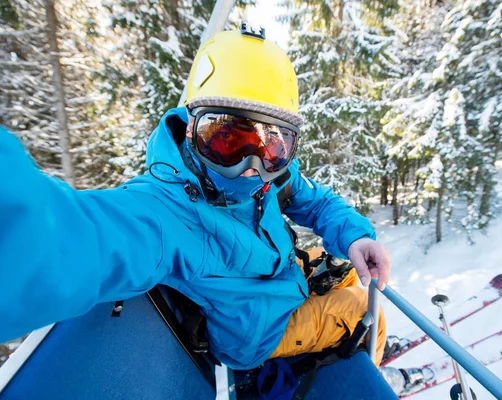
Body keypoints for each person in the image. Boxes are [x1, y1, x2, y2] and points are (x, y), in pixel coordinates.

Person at [0, 28, 390, 371]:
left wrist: (356, 236)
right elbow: (71, 240)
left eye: (271, 145)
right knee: (366, 308)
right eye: (227, 139)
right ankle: (365, 368)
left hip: (284, 287)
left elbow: (317, 202)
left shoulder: (272, 177)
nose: (251, 167)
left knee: (353, 271)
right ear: (191, 130)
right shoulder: (163, 214)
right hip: (258, 334)